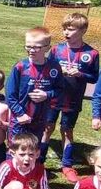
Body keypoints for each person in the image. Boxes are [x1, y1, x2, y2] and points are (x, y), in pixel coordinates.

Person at [51, 12, 100, 182]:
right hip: (53, 97)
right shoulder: (56, 49)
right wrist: (58, 72)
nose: (66, 32)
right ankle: (40, 161)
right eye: (64, 29)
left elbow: (94, 78)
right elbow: (47, 71)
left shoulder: (92, 53)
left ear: (83, 30)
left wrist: (80, 74)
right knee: (47, 128)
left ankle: (67, 165)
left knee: (67, 130)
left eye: (71, 29)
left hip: (72, 99)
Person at [5, 27, 61, 162]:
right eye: (28, 46)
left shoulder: (54, 67)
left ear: (47, 48)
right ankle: (9, 174)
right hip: (20, 119)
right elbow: (10, 95)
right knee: (14, 148)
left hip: (39, 119)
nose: (31, 50)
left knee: (33, 148)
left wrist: (47, 94)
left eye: (36, 47)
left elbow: (60, 90)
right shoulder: (20, 67)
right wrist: (20, 113)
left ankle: (29, 174)